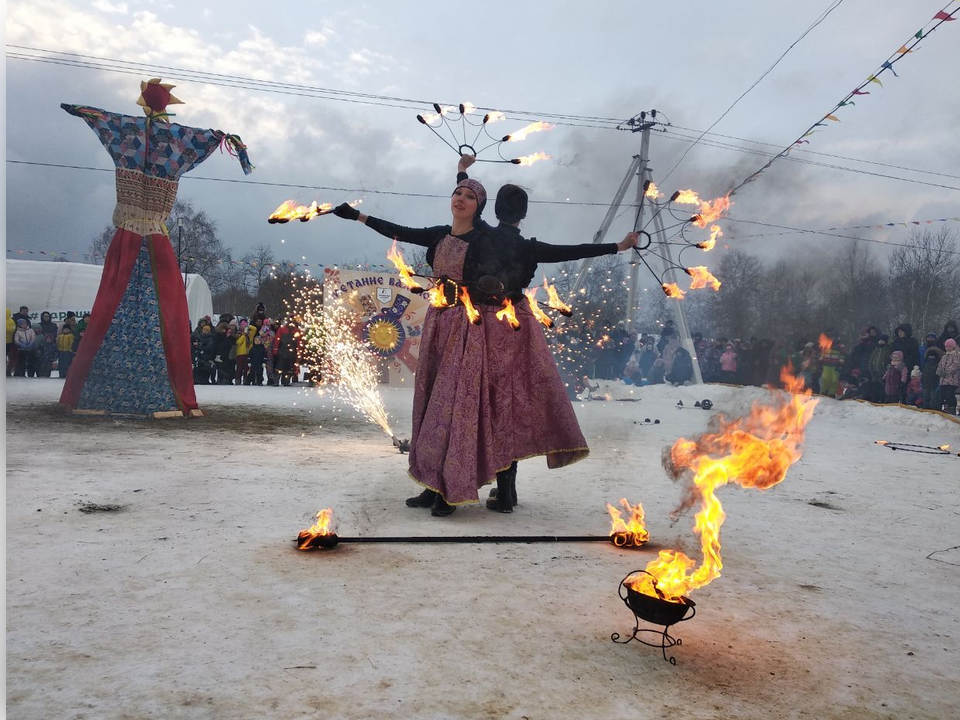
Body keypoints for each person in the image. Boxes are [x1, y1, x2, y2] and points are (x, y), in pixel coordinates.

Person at [331, 167, 638, 517]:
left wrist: (493, 285)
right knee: (445, 406)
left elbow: (542, 256)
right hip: (444, 326)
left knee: (462, 407)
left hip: (470, 330)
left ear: (485, 208)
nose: (460, 198)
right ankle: (441, 485)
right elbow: (401, 231)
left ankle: (452, 486)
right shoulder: (450, 234)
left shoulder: (487, 240)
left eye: (469, 196)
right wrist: (358, 215)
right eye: (457, 193)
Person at [57, 80, 252, 417]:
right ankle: (168, 391)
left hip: (127, 233)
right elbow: (211, 137)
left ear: (143, 103)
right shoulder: (178, 140)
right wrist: (228, 139)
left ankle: (90, 390)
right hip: (154, 235)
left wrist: (82, 112)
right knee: (167, 306)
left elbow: (102, 118)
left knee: (110, 301)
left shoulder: (126, 130)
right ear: (167, 106)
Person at [936, 338, 959, 415]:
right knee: (944, 394)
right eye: (946, 346)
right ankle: (946, 406)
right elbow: (940, 365)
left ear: (953, 347)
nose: (948, 348)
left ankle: (952, 407)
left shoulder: (956, 355)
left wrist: (946, 372)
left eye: (950, 346)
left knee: (950, 394)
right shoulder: (944, 356)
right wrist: (939, 372)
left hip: (952, 380)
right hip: (943, 380)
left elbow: (955, 366)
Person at [36, 312, 59, 377]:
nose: (46, 318)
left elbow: (55, 333)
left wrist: (50, 337)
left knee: (48, 366)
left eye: (47, 316)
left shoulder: (53, 325)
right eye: (45, 316)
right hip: (41, 344)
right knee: (41, 365)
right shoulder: (39, 325)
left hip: (51, 345)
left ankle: (47, 376)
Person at [6, 308, 17, 377]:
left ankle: (7, 371)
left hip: (8, 342)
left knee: (8, 357)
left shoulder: (11, 321)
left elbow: (12, 330)